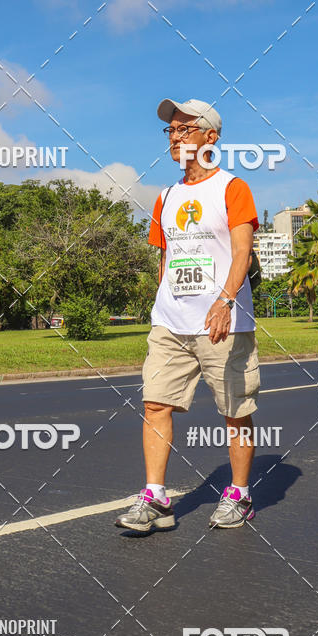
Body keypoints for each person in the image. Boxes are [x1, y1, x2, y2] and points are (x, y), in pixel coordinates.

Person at [115, 98, 261, 534]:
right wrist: (161, 302)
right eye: (171, 131)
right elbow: (165, 259)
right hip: (171, 323)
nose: (175, 137)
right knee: (155, 402)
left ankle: (239, 494)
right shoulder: (166, 196)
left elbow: (242, 251)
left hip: (223, 322)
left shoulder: (232, 188)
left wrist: (225, 300)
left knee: (235, 410)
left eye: (184, 129)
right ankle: (156, 498)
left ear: (210, 137)